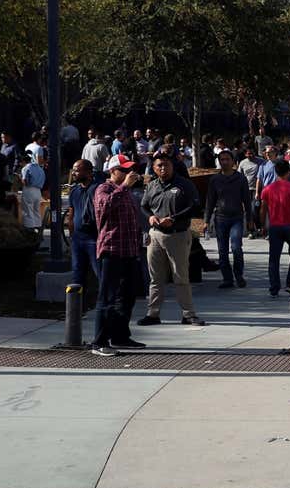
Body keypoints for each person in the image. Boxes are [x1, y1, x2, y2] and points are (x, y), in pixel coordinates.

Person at [137, 152, 204, 327]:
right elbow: (144, 206)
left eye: (166, 164)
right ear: (154, 168)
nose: (162, 168)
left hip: (178, 234)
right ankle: (153, 314)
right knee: (155, 278)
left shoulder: (184, 185)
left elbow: (195, 206)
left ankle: (188, 314)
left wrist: (174, 219)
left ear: (172, 166)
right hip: (155, 235)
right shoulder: (152, 186)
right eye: (159, 165)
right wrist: (150, 217)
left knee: (180, 276)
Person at [90, 155, 147, 357]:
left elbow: (133, 220)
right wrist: (124, 186)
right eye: (123, 170)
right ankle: (99, 341)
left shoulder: (128, 193)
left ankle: (120, 335)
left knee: (128, 296)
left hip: (129, 251)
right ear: (112, 171)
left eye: (129, 170)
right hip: (111, 251)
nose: (128, 174)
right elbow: (104, 209)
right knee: (108, 297)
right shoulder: (103, 189)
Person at [204, 150, 251, 289]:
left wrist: (250, 218)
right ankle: (227, 279)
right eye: (222, 159)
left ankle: (239, 275)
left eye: (227, 159)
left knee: (236, 247)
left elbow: (247, 200)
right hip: (220, 218)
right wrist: (206, 220)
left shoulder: (241, 178)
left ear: (233, 161)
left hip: (236, 217)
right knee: (222, 251)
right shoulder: (215, 180)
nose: (224, 162)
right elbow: (210, 201)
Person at [261, 159, 290, 297]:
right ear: (288, 172)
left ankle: (274, 287)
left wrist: (263, 225)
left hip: (275, 226)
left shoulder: (267, 189)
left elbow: (263, 210)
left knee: (274, 259)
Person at [65, 159, 98, 288]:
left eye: (77, 170)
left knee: (99, 273)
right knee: (77, 275)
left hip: (93, 238)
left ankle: (105, 304)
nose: (73, 173)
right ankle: (78, 306)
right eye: (73, 170)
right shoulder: (74, 191)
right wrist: (71, 234)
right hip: (77, 240)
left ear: (88, 172)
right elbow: (71, 213)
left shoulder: (97, 189)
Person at [18, 148, 48, 237]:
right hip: (38, 191)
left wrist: (20, 178)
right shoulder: (39, 168)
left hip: (29, 190)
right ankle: (39, 231)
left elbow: (25, 181)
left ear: (23, 161)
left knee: (28, 211)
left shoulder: (25, 168)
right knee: (36, 211)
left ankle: (30, 233)